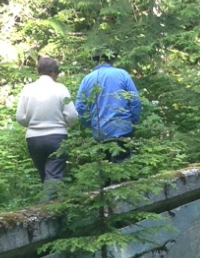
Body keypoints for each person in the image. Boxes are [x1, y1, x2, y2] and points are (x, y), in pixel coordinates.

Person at [15, 55, 77, 184]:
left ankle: (48, 201)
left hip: (34, 139)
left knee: (45, 178)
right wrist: (65, 124)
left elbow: (20, 117)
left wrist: (32, 124)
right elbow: (72, 115)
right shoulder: (61, 89)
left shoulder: (27, 89)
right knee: (53, 178)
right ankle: (48, 203)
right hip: (57, 138)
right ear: (53, 72)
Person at [76, 52, 142, 160]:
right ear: (112, 60)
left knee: (105, 169)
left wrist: (91, 124)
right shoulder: (122, 74)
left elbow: (80, 107)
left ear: (95, 61)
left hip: (99, 132)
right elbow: (135, 100)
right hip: (123, 129)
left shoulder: (87, 79)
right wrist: (132, 121)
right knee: (123, 169)